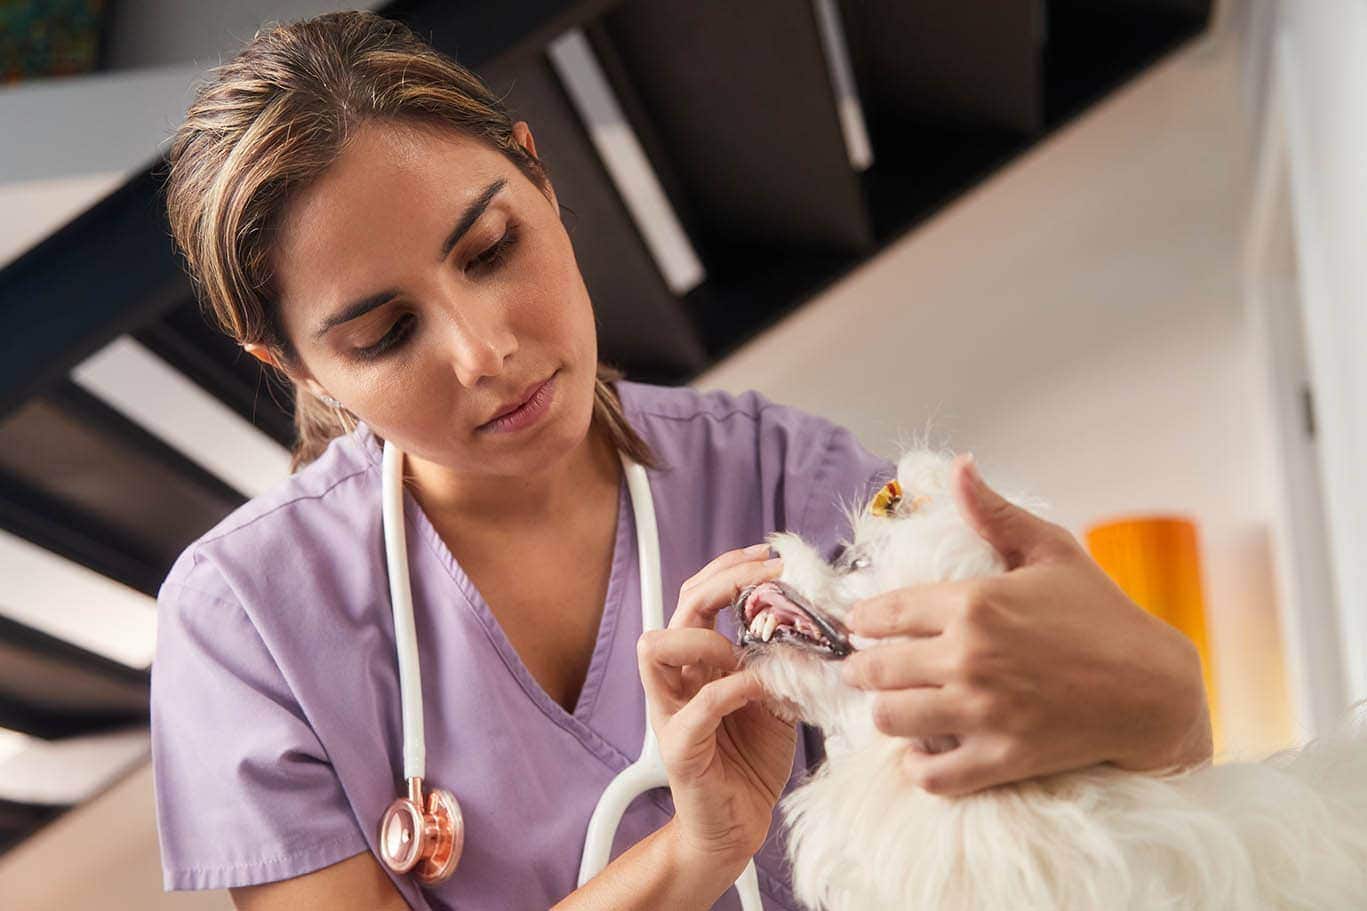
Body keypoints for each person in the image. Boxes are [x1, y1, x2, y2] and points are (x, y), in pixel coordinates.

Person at [150, 11, 1212, 911]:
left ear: (540, 175)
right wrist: (691, 851)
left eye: (489, 250)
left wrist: (1151, 692)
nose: (485, 352)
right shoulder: (247, 619)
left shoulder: (786, 479)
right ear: (290, 362)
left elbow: (1110, 784)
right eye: (384, 334)